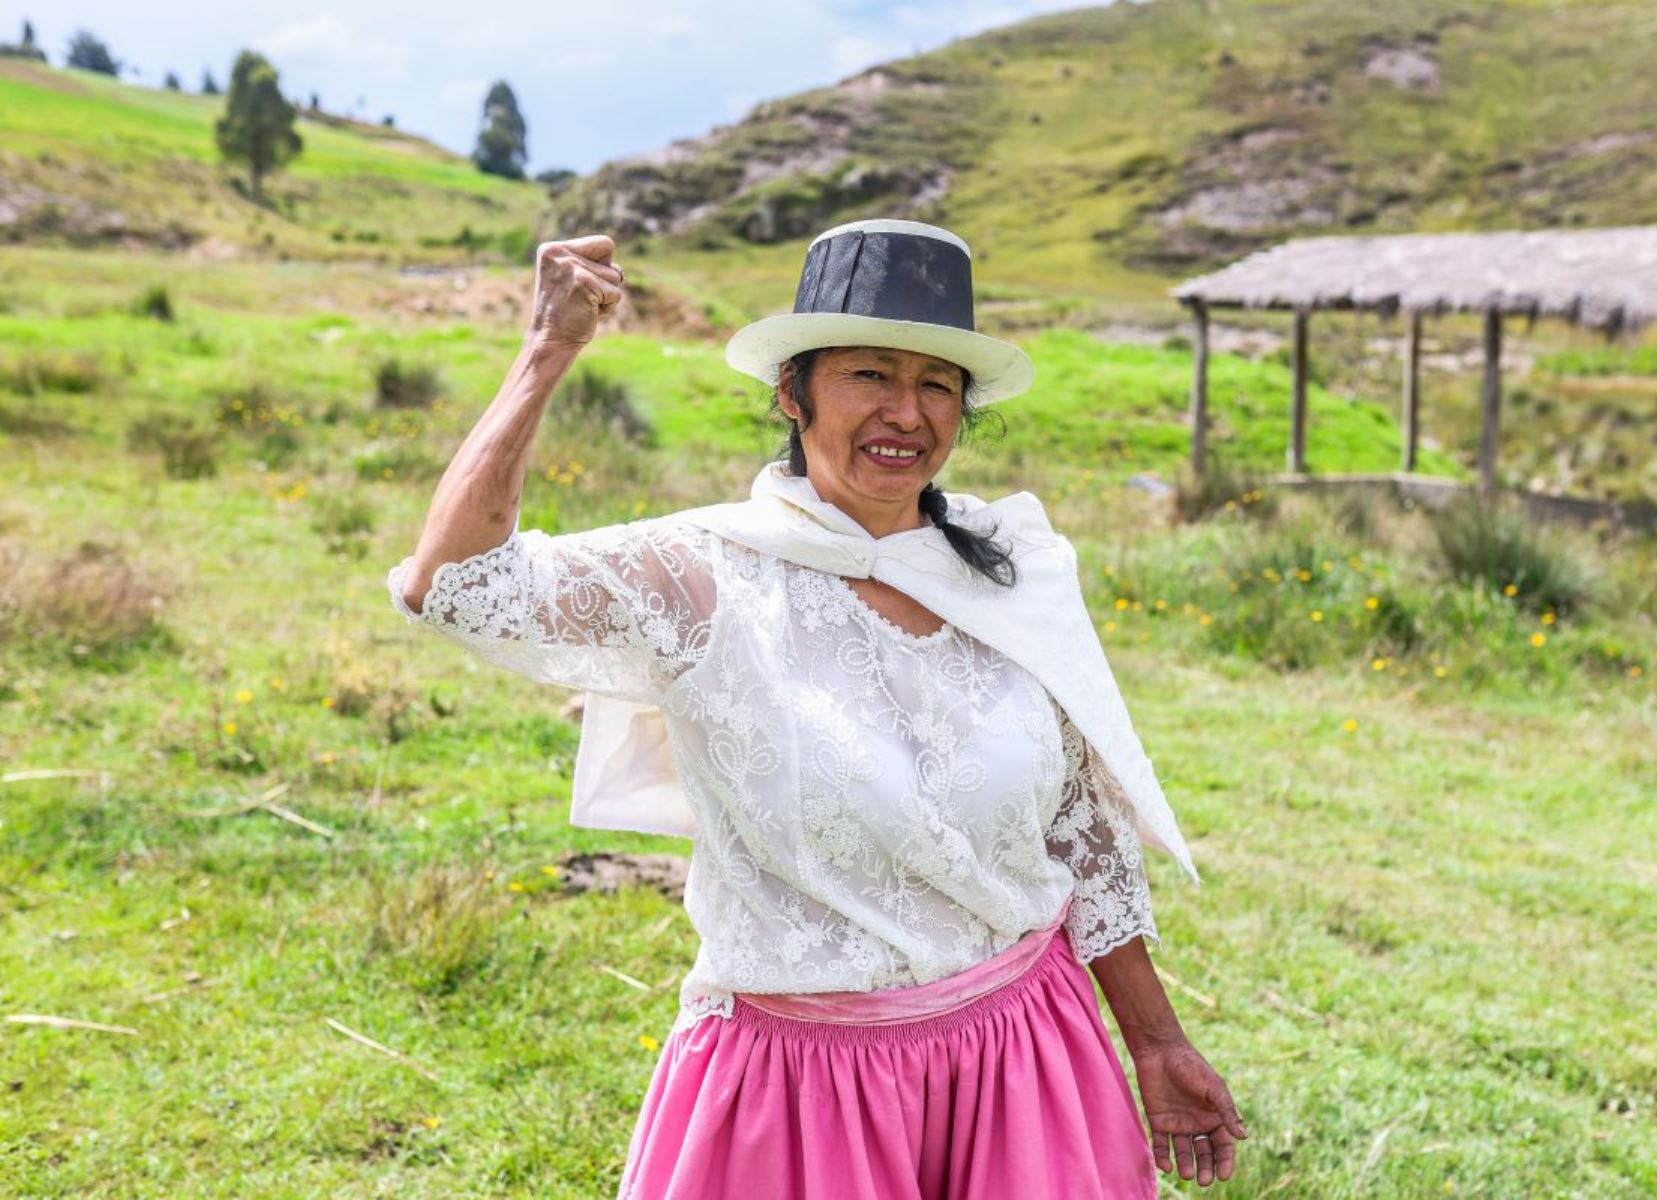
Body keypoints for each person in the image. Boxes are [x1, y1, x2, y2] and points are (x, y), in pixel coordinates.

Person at [388, 218, 1248, 1197]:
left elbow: (1080, 827)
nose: (906, 413)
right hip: (800, 1098)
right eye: (869, 375)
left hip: (1023, 1064)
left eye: (935, 383)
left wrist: (1156, 1042)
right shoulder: (703, 575)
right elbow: (451, 586)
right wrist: (548, 353)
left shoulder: (1016, 569)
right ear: (793, 393)